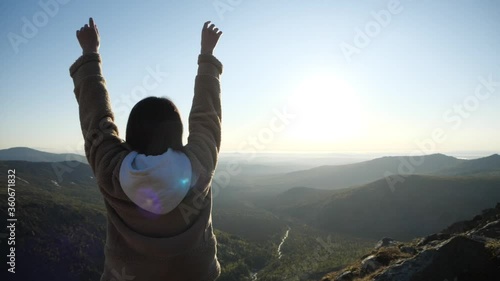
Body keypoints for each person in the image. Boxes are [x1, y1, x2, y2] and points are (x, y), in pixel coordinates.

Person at [70, 17, 223, 281]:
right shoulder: (199, 164)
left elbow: (97, 119)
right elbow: (206, 117)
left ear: (131, 134)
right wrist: (207, 55)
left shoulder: (112, 170)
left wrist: (91, 53)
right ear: (177, 133)